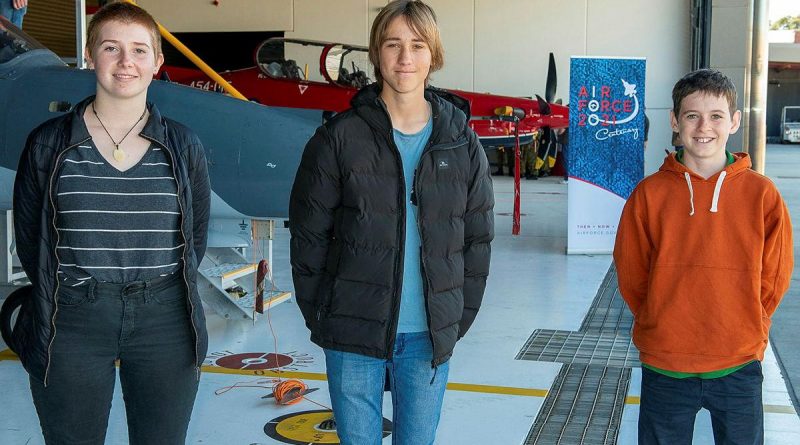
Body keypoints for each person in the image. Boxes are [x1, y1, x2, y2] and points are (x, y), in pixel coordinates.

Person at [289, 1, 494, 443]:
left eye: (418, 46)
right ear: (376, 53)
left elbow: (477, 239)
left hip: (428, 336)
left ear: (433, 55)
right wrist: (324, 314)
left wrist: (455, 318)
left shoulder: (460, 141)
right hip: (351, 330)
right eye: (393, 44)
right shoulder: (338, 138)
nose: (405, 58)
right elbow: (309, 237)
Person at [12, 3, 210, 444]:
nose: (126, 62)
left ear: (157, 62)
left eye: (140, 50)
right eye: (111, 47)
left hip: (165, 320)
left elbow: (193, 237)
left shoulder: (182, 145)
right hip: (73, 319)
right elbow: (32, 238)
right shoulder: (49, 144)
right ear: (89, 55)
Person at [613, 69, 793, 445]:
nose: (703, 127)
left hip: (737, 361)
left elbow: (774, 277)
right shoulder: (649, 194)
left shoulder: (762, 195)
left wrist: (748, 322)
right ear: (675, 121)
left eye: (716, 116)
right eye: (692, 115)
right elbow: (632, 274)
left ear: (735, 121)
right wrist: (660, 319)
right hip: (666, 363)